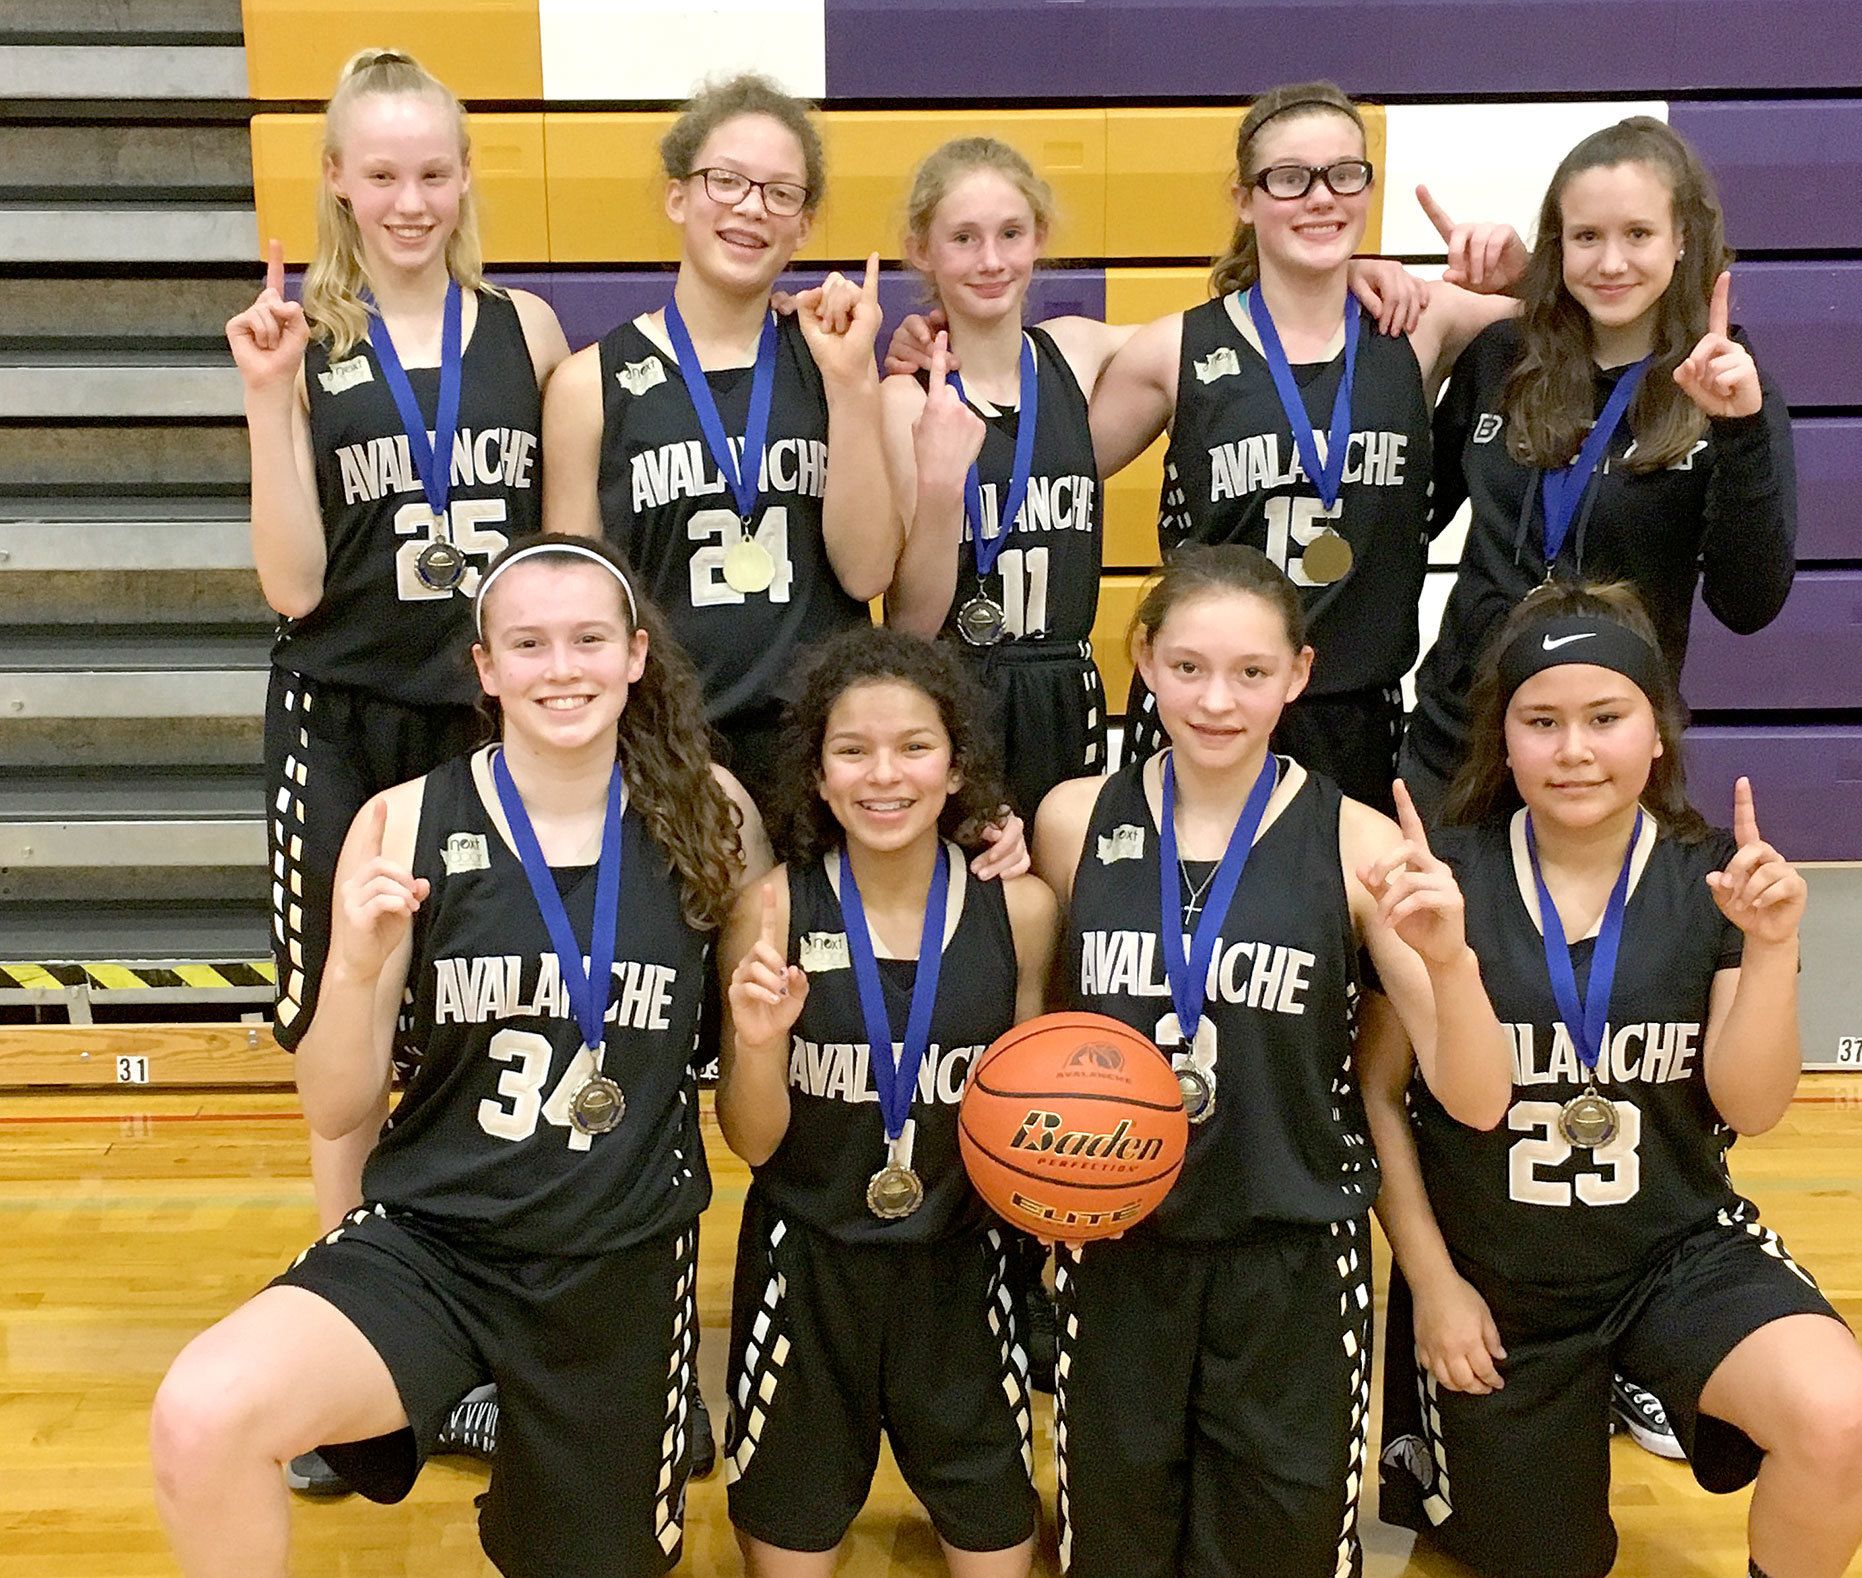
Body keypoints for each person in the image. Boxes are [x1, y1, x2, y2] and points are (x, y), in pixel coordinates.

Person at [150, 535, 768, 1577]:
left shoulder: (714, 816)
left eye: (586, 640)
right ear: (485, 670)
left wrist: (759, 1038)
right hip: (437, 1242)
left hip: (614, 1264)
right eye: (526, 643)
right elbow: (337, 1101)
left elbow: (754, 1127)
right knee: (200, 1416)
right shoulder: (399, 823)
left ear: (633, 658)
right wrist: (353, 967)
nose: (559, 668)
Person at [1369, 580, 1862, 1578]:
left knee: (1837, 1416)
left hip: (1670, 1252)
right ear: (1502, 738)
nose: (1572, 751)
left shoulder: (1718, 877)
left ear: (1656, 732)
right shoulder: (1439, 879)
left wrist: (1770, 947)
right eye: (1541, 721)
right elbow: (1408, 1102)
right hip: (1499, 1282)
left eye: (1604, 719)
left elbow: (1750, 1106)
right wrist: (1429, 1285)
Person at [225, 45, 572, 1491]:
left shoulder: (529, 332)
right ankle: (356, 1367)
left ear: (464, 176)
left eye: (435, 170)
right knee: (348, 1046)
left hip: (490, 734)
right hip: (348, 719)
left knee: (488, 1034)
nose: (412, 198)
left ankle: (484, 1345)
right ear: (339, 186)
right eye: (383, 174)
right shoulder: (303, 340)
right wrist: (264, 400)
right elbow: (297, 587)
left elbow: (562, 555)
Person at [1029, 544, 1511, 1577]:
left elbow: (1475, 1100)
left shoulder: (1361, 845)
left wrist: (1450, 960)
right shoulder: (1072, 822)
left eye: (1251, 673)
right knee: (1111, 1551)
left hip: (1286, 1255)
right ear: (1144, 659)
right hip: (1116, 1255)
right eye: (1190, 667)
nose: (1216, 700)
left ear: (1297, 674)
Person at [717, 626, 1057, 1576]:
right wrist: (756, 1046)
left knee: (994, 1542)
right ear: (817, 775)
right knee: (793, 1543)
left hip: (963, 1263)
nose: (885, 775)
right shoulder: (770, 910)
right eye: (852, 750)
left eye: (915, 746)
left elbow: (1033, 1116)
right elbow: (752, 1143)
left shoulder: (1020, 912)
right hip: (807, 1265)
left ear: (957, 768)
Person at [1083, 81, 1524, 811]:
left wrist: (1522, 267)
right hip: (1207, 711)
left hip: (1355, 714)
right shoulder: (1175, 350)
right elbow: (1044, 468)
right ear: (1244, 198)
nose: (1322, 197)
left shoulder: (1421, 324)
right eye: (1290, 179)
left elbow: (1592, 320)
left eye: (1344, 174)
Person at [1401, 116, 1798, 825]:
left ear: (1683, 238)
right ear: (1560, 246)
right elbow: (1405, 522)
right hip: (1454, 744)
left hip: (1603, 761)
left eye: (1638, 234)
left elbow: (1749, 604)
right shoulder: (1500, 357)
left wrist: (1740, 431)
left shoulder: (1726, 383)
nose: (1611, 262)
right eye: (1587, 237)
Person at [543, 72, 897, 812]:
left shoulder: (834, 358)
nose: (749, 208)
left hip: (820, 751)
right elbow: (570, 611)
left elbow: (867, 574)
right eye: (726, 180)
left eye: (780, 192)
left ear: (803, 224)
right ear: (679, 196)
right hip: (663, 754)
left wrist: (853, 384)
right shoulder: (588, 386)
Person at [880, 137, 1128, 821]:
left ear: (1038, 238)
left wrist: (1338, 277)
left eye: (1010, 234)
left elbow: (1229, 336)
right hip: (953, 689)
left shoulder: (1077, 352)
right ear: (923, 250)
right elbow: (910, 621)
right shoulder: (904, 402)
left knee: (1072, 894)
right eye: (963, 238)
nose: (991, 261)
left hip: (1064, 686)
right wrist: (937, 491)